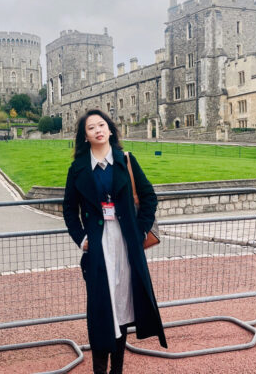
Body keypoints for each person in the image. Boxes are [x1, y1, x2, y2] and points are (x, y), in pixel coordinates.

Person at [63, 109, 167, 374]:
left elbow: (149, 198)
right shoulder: (77, 170)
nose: (98, 130)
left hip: (126, 246)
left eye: (102, 125)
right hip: (98, 248)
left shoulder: (126, 160)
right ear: (85, 136)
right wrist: (82, 238)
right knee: (101, 310)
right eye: (91, 128)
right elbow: (69, 211)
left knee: (122, 306)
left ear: (110, 129)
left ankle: (117, 370)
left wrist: (140, 231)